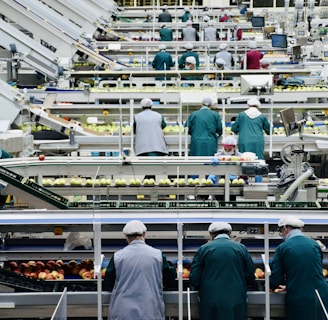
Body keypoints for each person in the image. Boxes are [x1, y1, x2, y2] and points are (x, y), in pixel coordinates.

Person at [103, 220, 177, 320]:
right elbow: (170, 279)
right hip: (150, 310)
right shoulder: (158, 255)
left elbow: (108, 282)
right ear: (144, 234)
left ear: (126, 237)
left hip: (123, 311)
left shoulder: (118, 256)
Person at [189, 221, 256, 320]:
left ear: (211, 234)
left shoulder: (203, 249)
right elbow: (250, 276)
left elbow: (194, 278)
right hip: (236, 300)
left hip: (210, 301)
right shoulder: (241, 249)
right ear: (229, 233)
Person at [270, 217, 328, 320]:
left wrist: (272, 286)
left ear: (285, 228)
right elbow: (313, 269)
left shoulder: (283, 248)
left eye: (281, 231)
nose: (282, 234)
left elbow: (276, 278)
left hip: (299, 297)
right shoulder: (315, 244)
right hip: (320, 294)